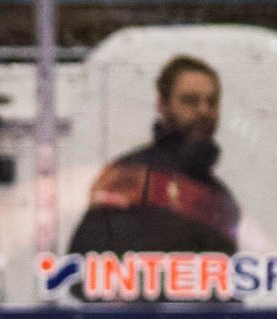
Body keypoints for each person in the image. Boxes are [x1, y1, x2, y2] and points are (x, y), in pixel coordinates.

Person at [68, 55, 239, 256]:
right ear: (162, 104)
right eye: (190, 101)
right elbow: (86, 270)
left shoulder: (220, 197)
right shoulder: (130, 176)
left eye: (211, 102)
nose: (204, 111)